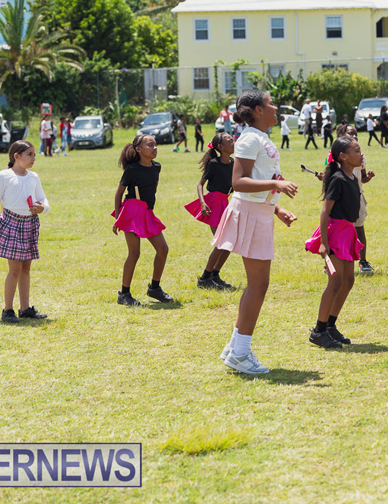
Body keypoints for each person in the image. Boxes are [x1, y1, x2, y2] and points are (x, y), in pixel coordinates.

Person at [213, 90, 298, 375]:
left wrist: (277, 209)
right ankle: (240, 353)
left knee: (257, 284)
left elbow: (257, 180)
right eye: (271, 103)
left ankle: (235, 347)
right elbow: (238, 181)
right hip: (250, 215)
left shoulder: (258, 137)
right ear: (258, 110)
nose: (276, 107)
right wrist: (276, 187)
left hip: (259, 213)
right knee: (258, 285)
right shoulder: (250, 138)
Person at [304, 136, 364, 349]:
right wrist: (324, 243)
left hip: (347, 230)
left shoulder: (352, 177)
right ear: (343, 156)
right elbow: (325, 211)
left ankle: (330, 325)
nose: (361, 153)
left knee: (348, 281)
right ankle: (318, 331)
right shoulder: (338, 179)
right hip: (336, 231)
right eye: (356, 151)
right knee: (336, 281)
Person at [0, 140, 50, 323]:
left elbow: (43, 199)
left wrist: (43, 208)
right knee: (15, 269)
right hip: (12, 224)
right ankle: (7, 310)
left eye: (34, 154)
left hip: (30, 224)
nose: (34, 158)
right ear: (16, 157)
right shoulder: (4, 176)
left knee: (26, 267)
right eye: (30, 154)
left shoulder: (33, 176)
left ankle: (25, 308)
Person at [111, 134, 174, 306]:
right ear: (138, 149)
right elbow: (119, 194)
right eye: (150, 145)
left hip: (146, 212)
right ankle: (124, 294)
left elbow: (153, 189)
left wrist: (149, 209)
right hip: (131, 212)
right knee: (135, 253)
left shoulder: (156, 167)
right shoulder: (132, 169)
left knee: (163, 249)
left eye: (155, 144)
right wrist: (118, 218)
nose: (154, 148)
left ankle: (154, 288)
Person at [184, 132, 235, 290]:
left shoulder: (233, 163)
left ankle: (214, 274)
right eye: (229, 141)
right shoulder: (214, 164)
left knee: (229, 243)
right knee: (221, 241)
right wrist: (202, 202)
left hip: (225, 203)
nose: (233, 142)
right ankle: (205, 278)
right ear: (221, 147)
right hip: (213, 203)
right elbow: (200, 184)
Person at [337, 123, 375, 272]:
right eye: (350, 134)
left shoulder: (361, 156)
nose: (354, 136)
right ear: (342, 136)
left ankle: (363, 261)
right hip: (341, 199)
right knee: (339, 232)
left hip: (357, 197)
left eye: (355, 134)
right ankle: (334, 262)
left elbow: (363, 177)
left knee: (359, 230)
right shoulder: (337, 156)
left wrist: (368, 177)